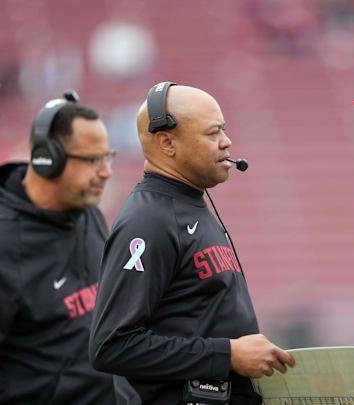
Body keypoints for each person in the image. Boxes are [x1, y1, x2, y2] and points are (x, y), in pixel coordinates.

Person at [89, 83, 295, 404]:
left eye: (223, 130)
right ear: (167, 142)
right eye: (213, 133)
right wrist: (226, 355)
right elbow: (112, 346)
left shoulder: (191, 204)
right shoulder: (148, 220)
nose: (227, 142)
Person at [0, 90, 115, 404]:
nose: (106, 171)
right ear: (47, 158)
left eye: (108, 157)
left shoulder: (89, 212)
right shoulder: (6, 244)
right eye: (93, 160)